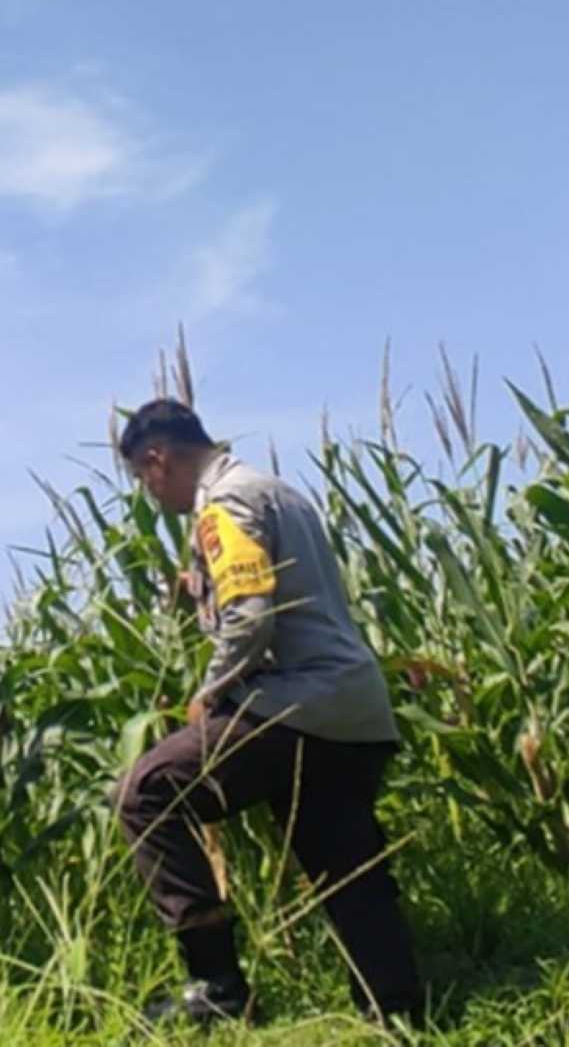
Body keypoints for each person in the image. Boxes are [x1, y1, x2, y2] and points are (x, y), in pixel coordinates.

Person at [113, 399, 422, 1027]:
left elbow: (250, 614)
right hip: (354, 712)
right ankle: (395, 1009)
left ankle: (217, 987)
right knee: (342, 859)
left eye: (142, 478)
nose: (149, 492)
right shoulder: (276, 490)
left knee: (146, 793)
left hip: (296, 704)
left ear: (157, 458)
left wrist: (210, 692)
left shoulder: (222, 504)